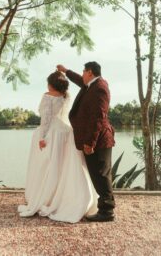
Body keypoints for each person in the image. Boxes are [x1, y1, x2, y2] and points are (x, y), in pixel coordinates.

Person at [18, 71, 97, 223]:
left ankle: (47, 197)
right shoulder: (66, 96)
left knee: (47, 166)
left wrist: (42, 137)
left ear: (50, 84)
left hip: (51, 134)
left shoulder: (47, 96)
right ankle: (65, 197)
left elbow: (46, 118)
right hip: (66, 132)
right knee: (64, 167)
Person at [57, 62, 115, 222]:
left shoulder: (100, 88)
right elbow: (78, 80)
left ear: (89, 72)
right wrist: (66, 71)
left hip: (98, 141)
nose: (82, 74)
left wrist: (90, 143)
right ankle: (105, 207)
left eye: (83, 71)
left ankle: (107, 211)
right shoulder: (91, 84)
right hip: (93, 139)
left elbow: (98, 118)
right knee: (98, 174)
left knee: (101, 174)